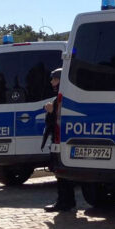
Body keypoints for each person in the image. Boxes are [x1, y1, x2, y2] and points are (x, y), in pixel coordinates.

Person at [43, 68, 77, 212]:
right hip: (59, 139)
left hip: (62, 139)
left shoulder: (63, 98)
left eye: (55, 79)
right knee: (60, 172)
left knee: (62, 173)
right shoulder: (60, 97)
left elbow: (59, 119)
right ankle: (65, 200)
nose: (52, 82)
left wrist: (52, 111)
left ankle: (65, 201)